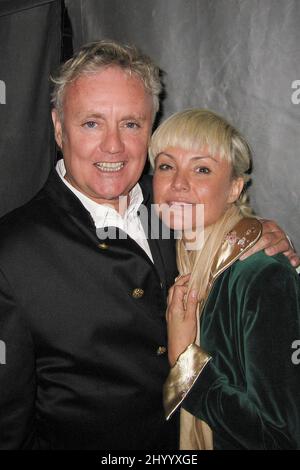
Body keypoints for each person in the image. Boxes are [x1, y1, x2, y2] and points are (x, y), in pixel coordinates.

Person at [0, 40, 297, 450]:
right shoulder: (13, 252)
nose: (113, 146)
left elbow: (225, 224)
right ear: (57, 126)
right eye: (92, 123)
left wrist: (255, 229)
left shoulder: (170, 208)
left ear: (151, 126)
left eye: (131, 124)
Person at [148, 108, 300, 450]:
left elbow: (280, 439)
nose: (178, 183)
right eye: (166, 166)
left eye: (201, 169)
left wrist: (185, 362)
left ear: (234, 188)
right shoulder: (176, 253)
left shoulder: (262, 275)